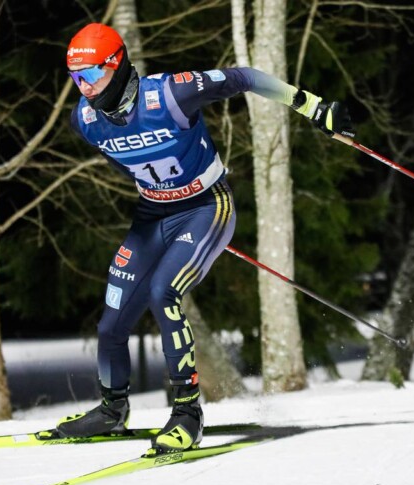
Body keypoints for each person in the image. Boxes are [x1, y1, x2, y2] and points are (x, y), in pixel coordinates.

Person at [55, 23, 354, 454]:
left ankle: (187, 414)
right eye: (75, 78)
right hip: (153, 214)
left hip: (206, 206)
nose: (83, 88)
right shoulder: (84, 121)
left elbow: (246, 77)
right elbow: (132, 164)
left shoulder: (171, 95)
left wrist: (314, 106)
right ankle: (111, 410)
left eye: (90, 76)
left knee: (163, 292)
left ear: (116, 65)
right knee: (112, 320)